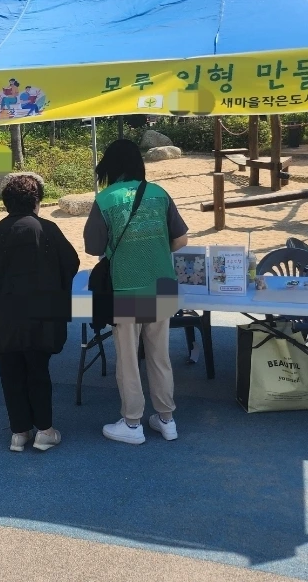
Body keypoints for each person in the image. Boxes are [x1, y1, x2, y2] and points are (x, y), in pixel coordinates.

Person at [84, 139, 189, 445]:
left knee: (129, 360)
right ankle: (167, 420)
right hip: (162, 286)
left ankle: (132, 423)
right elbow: (181, 240)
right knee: (160, 357)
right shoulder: (159, 193)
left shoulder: (106, 199)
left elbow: (93, 247)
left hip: (127, 286)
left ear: (110, 166)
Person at [0, 175, 79, 453]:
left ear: (6, 203)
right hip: (40, 314)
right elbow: (71, 263)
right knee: (37, 371)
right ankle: (44, 431)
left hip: (3, 316)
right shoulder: (47, 229)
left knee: (10, 372)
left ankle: (18, 432)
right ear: (36, 202)